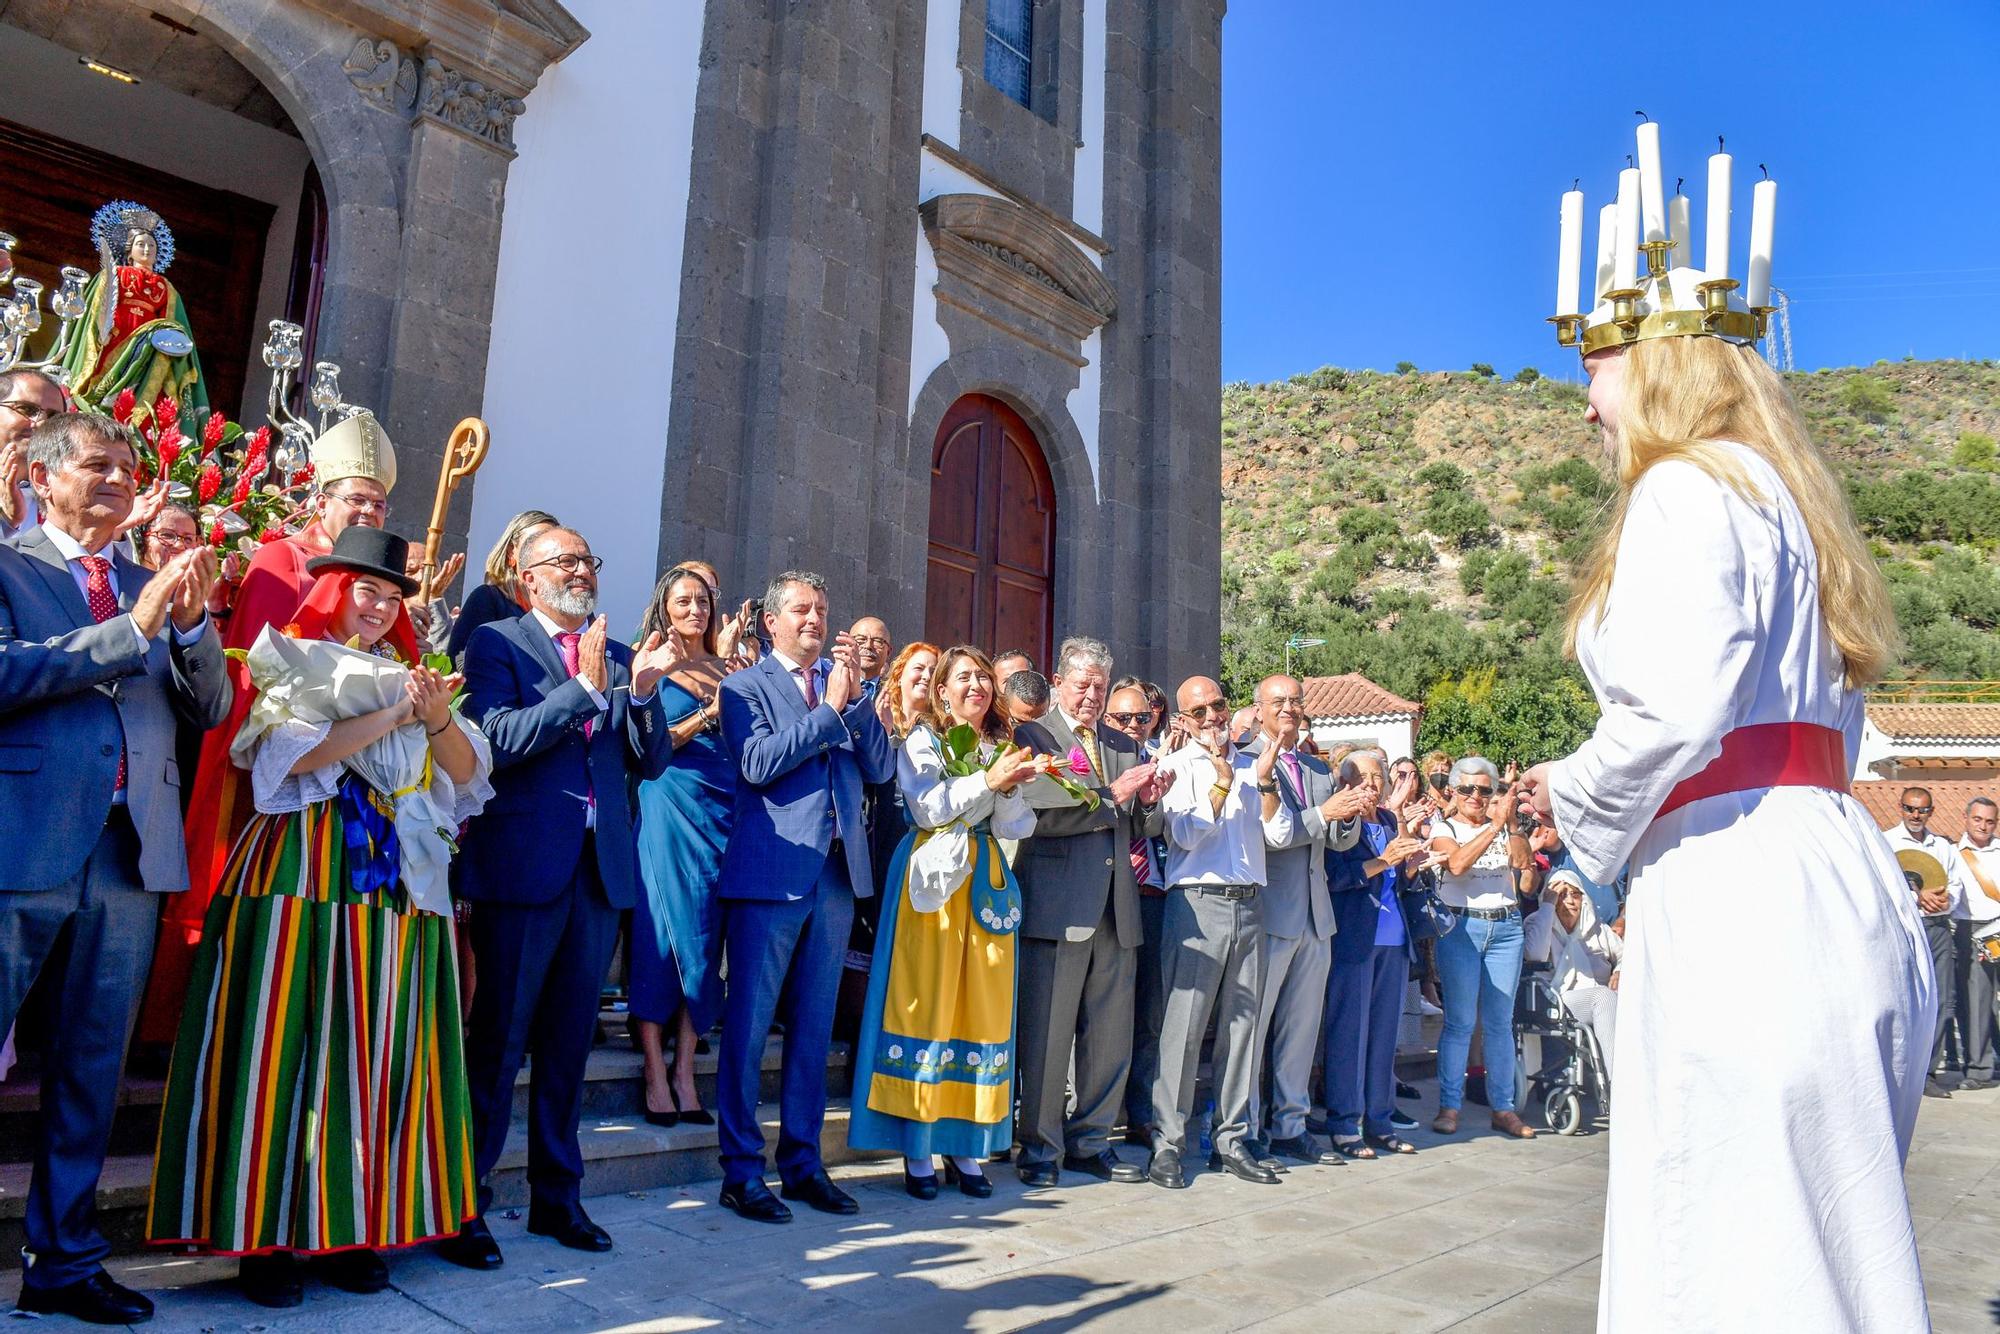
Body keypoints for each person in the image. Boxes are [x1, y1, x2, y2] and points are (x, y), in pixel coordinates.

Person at [1515, 169, 1933, 1326]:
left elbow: (1665, 713)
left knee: (1735, 1250)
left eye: (1591, 369)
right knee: (1826, 1241)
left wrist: (1572, 799)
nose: (1586, 406)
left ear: (1647, 363)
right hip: (1823, 868)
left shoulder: (1683, 492)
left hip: (1740, 891)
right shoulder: (1784, 503)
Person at [147, 527, 491, 1307]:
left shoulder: (417, 678)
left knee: (371, 1046)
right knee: (284, 1039)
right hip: (298, 868)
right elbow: (288, 761)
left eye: (392, 596)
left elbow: (465, 776)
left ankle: (350, 1225)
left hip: (391, 885)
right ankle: (263, 1237)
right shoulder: (291, 661)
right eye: (365, 590)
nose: (376, 607)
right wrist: (390, 715)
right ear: (335, 590)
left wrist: (433, 718)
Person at [0, 412, 227, 1326]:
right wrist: (127, 629)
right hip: (24, 839)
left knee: (92, 1069)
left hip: (130, 855)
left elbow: (205, 707)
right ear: (43, 478)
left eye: (127, 470)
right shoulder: (11, 565)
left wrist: (189, 625)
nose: (116, 481)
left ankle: (63, 1264)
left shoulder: (150, 583)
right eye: (95, 465)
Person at [450, 527, 675, 1265]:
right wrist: (580, 688)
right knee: (499, 1042)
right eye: (565, 560)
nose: (582, 570)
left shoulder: (617, 655)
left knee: (569, 1046)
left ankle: (557, 1197)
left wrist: (639, 696)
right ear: (526, 575)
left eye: (588, 559)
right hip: (523, 868)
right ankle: (464, 1206)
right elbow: (496, 739)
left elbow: (652, 761)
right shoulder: (497, 644)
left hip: (598, 871)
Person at [143, 411, 397, 1045]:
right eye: (356, 499)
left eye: (379, 503)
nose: (368, 511)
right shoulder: (281, 560)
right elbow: (254, 670)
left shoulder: (383, 580)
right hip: (273, 773)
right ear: (322, 498)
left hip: (360, 788)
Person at [712, 571, 895, 1224]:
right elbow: (758, 764)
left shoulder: (848, 688)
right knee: (751, 1027)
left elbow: (880, 769)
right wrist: (825, 715)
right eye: (801, 609)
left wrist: (859, 705)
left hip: (837, 878)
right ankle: (740, 1170)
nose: (816, 619)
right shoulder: (742, 687)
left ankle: (803, 1162)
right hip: (770, 876)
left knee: (815, 1032)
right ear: (770, 622)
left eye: (822, 608)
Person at [848, 646, 1039, 1198]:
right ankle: (918, 1145)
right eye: (963, 677)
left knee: (980, 1003)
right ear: (942, 691)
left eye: (983, 677)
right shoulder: (923, 741)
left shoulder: (997, 745)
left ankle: (967, 1146)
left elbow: (1018, 824)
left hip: (984, 873)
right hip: (933, 875)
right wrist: (988, 783)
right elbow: (928, 807)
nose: (976, 685)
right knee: (927, 999)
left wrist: (1008, 786)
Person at [1010, 637, 1161, 1188]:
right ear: (1058, 682)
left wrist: (1149, 802)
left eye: (1101, 686)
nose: (1093, 696)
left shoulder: (1125, 743)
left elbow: (1145, 827)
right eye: (1083, 685)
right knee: (1048, 1038)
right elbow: (1038, 817)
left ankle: (1091, 1142)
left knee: (1109, 1037)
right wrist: (1112, 796)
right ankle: (1040, 1149)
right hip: (1058, 904)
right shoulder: (1033, 736)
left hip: (1117, 908)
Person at [1149, 675, 1292, 1189]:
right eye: (1199, 711)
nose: (1212, 718)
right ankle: (1167, 1143)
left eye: (1218, 706)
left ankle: (1231, 1141)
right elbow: (1185, 834)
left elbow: (1277, 834)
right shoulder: (1174, 767)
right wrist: (1220, 781)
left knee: (1242, 1029)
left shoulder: (1259, 763)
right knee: (1183, 1030)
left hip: (1251, 904)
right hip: (1197, 904)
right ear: (1183, 721)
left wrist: (1266, 783)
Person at [630, 564, 738, 1127]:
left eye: (703, 602)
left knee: (706, 937)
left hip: (723, 809)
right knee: (661, 938)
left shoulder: (727, 666)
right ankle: (653, 1069)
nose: (695, 610)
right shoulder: (650, 660)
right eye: (684, 601)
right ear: (664, 609)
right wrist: (706, 715)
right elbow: (647, 742)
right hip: (668, 803)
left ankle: (686, 1069)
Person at [1240, 675, 1353, 1166]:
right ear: (1259, 708)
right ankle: (1241, 1127)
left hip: (1315, 914)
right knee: (1253, 1029)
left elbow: (1336, 844)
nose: (1288, 708)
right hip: (1268, 912)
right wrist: (1323, 813)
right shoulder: (1244, 759)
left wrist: (1348, 815)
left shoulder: (1316, 768)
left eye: (1295, 701)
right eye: (1278, 701)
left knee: (1301, 1031)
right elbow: (1267, 837)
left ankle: (1290, 1125)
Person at [1324, 752, 1428, 1159]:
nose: (1371, 785)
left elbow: (1396, 879)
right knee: (1349, 1033)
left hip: (1393, 938)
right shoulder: (1338, 825)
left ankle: (1380, 1122)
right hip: (1354, 937)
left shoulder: (1387, 820)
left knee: (1385, 1036)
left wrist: (1411, 865)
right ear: (1345, 784)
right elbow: (1338, 877)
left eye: (1376, 777)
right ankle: (1345, 1124)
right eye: (1362, 778)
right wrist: (1385, 860)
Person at [1428, 755, 1533, 1138]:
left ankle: (1503, 1108)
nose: (1476, 796)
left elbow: (1525, 869)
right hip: (1461, 927)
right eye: (1468, 789)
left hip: (1506, 926)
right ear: (1453, 791)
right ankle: (1450, 1106)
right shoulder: (1443, 825)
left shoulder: (1505, 828)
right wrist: (1494, 828)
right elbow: (1456, 864)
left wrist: (1513, 824)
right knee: (1460, 1022)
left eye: (1485, 790)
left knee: (1500, 1024)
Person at [1882, 784, 1974, 1098]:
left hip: (1936, 928)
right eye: (1910, 808)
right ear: (1901, 808)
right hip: (1903, 928)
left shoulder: (1943, 847)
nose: (1916, 815)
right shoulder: (1887, 842)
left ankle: (1928, 1071)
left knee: (1942, 1000)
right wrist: (1915, 897)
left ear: (1931, 811)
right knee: (1901, 999)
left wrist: (1942, 901)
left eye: (1922, 809)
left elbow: (1956, 884)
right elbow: (1883, 885)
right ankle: (1899, 1068)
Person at [1522, 867, 1622, 1079]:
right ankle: (1616, 1080)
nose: (1569, 901)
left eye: (1574, 894)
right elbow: (1536, 954)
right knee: (1603, 997)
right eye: (1561, 895)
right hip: (1555, 999)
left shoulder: (1598, 929)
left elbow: (1625, 954)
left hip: (1599, 1000)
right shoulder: (1537, 921)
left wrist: (1619, 971)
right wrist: (1548, 906)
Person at [447, 508, 558, 661]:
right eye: (536, 542)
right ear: (511, 553)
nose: (547, 552)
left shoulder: (560, 610)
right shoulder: (488, 599)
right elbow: (461, 661)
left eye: (554, 547)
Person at [1957, 797, 2000, 1090]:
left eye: (1989, 821)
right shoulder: (1953, 853)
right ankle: (1979, 1068)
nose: (1983, 826)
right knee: (1978, 1002)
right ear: (1966, 818)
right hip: (1971, 931)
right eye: (1978, 819)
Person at [0, 368, 70, 541]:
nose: (41, 422)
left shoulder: (64, 495)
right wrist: (5, 524)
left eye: (54, 417)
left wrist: (114, 534)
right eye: (27, 409)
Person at [850, 615, 892, 684]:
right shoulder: (828, 683)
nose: (868, 646)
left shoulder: (896, 692)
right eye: (861, 639)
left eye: (877, 641)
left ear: (888, 652)